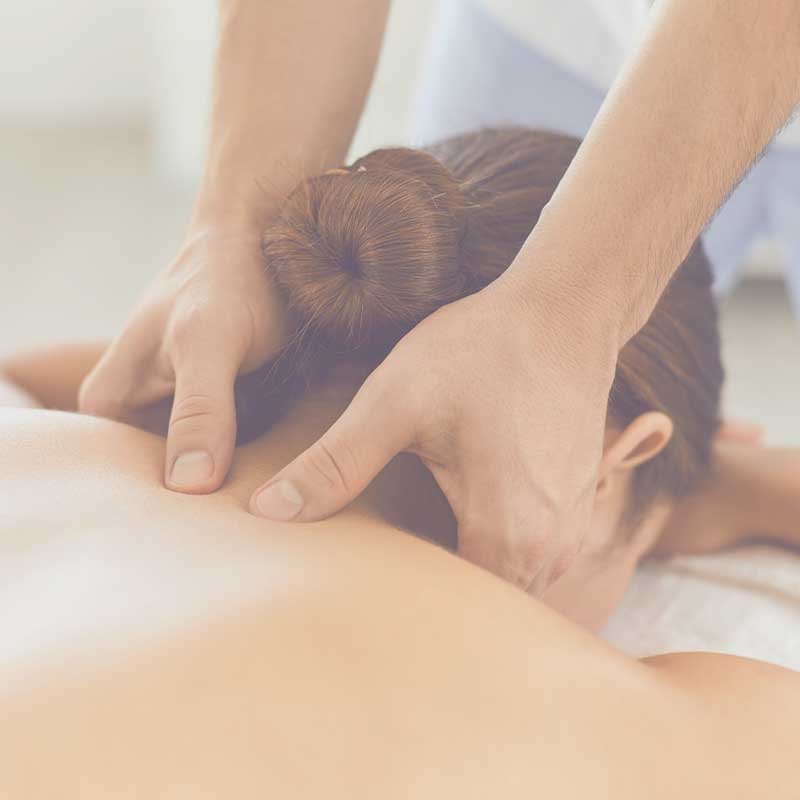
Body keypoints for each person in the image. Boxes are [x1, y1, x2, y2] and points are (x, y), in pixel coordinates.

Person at [3, 129, 800, 797]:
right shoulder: (626, 720)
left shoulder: (37, 449)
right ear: (616, 460)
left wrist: (245, 393)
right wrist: (718, 488)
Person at [76, 0, 800, 595]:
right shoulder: (672, 709)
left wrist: (566, 318)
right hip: (559, 30)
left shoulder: (56, 465)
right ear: (619, 463)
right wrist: (236, 223)